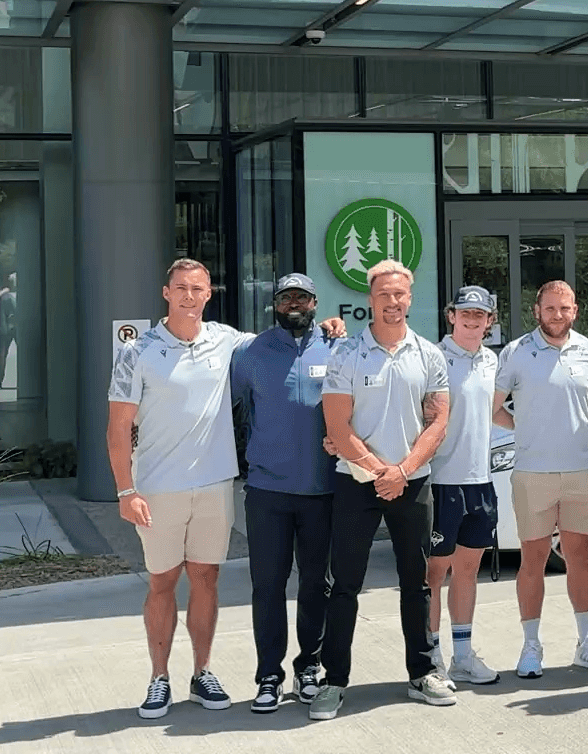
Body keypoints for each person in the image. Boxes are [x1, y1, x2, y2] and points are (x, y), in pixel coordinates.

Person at [108, 259, 341, 719]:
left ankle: (202, 673)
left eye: (198, 288)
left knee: (207, 580)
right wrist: (124, 490)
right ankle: (159, 678)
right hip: (159, 487)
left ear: (210, 293)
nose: (189, 296)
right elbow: (118, 426)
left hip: (216, 485)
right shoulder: (139, 351)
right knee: (162, 583)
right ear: (166, 292)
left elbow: (293, 345)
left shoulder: (230, 342)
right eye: (181, 288)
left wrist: (333, 325)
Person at [312, 259, 457, 720]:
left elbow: (438, 421)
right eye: (383, 295)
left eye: (400, 294)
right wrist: (381, 471)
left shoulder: (429, 354)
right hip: (356, 484)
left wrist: (404, 470)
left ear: (409, 298)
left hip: (412, 484)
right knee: (344, 586)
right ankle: (333, 681)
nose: (392, 302)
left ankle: (422, 672)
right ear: (370, 300)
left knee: (416, 583)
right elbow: (337, 422)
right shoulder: (347, 355)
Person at [493, 280, 588, 679]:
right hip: (533, 475)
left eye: (564, 309)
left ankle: (587, 643)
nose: (557, 315)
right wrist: (525, 429)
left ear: (575, 310)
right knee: (533, 561)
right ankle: (531, 646)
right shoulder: (515, 353)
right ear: (536, 310)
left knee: (580, 558)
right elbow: (494, 409)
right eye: (550, 309)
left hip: (582, 471)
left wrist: (585, 427)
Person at [228, 273, 337, 713]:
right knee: (268, 586)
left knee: (317, 585)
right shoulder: (251, 352)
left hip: (323, 489)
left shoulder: (335, 347)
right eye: (286, 296)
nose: (294, 303)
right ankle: (268, 676)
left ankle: (308, 666)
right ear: (274, 304)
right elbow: (226, 410)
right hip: (267, 489)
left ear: (314, 303)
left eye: (303, 297)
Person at [427, 286, 503, 687]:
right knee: (434, 573)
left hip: (481, 481)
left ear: (489, 321)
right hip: (441, 481)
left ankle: (463, 655)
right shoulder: (433, 356)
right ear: (451, 315)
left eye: (480, 314)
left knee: (468, 571)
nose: (472, 320)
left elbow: (499, 413)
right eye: (465, 313)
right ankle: (431, 656)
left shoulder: (493, 360)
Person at [0, 274, 18, 389]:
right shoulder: (19, 296)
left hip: (3, 328)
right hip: (16, 328)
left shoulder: (3, 296)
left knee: (1, 356)